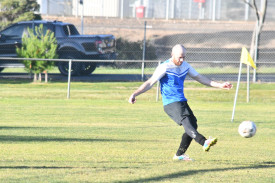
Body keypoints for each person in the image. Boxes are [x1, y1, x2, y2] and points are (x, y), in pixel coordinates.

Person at [128, 44, 233, 161]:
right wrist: (135, 94)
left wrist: (220, 85)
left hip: (181, 101)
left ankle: (179, 155)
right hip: (171, 103)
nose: (182, 60)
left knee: (193, 124)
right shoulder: (165, 67)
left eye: (184, 57)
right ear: (172, 55)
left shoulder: (185, 66)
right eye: (179, 57)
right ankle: (204, 141)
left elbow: (200, 78)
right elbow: (150, 82)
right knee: (187, 123)